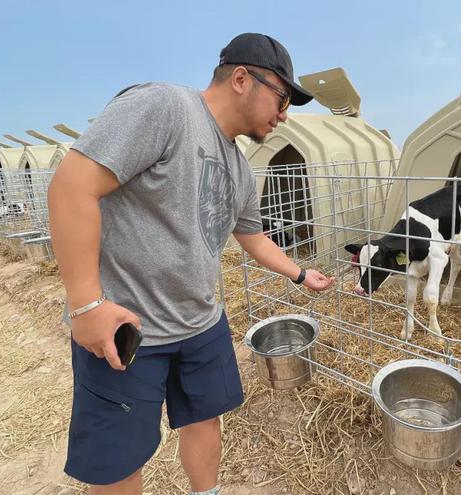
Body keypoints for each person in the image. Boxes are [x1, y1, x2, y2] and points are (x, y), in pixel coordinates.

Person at [48, 32, 334, 495]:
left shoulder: (240, 169)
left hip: (201, 321)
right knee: (121, 456)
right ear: (242, 79)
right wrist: (85, 303)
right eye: (282, 98)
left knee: (204, 419)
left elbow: (252, 237)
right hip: (130, 326)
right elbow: (71, 186)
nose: (284, 114)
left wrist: (300, 273)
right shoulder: (166, 108)